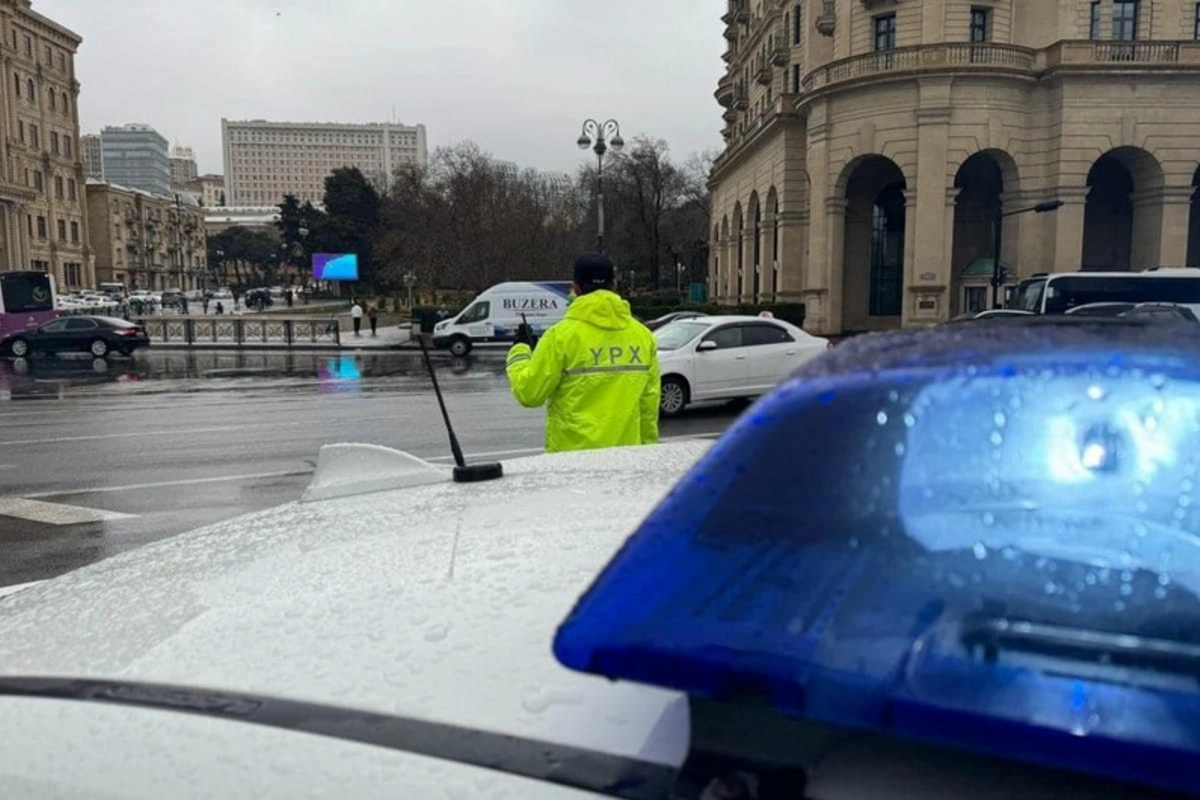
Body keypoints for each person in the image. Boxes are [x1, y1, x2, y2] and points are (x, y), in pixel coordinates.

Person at [506, 252, 659, 453]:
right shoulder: (643, 336)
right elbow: (649, 407)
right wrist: (648, 454)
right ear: (614, 286)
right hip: (627, 460)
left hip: (572, 464)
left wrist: (520, 350)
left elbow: (529, 393)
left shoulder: (560, 336)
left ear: (575, 288)